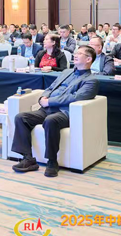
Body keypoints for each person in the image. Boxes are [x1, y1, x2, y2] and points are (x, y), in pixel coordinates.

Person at [12, 46, 100, 178]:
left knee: (51, 120)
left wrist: (50, 101)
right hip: (46, 109)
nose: (75, 55)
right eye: (75, 53)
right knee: (21, 117)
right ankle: (28, 158)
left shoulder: (91, 80)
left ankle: (52, 161)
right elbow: (51, 87)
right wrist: (43, 97)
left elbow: (75, 97)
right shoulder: (66, 72)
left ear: (88, 59)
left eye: (79, 53)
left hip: (65, 113)